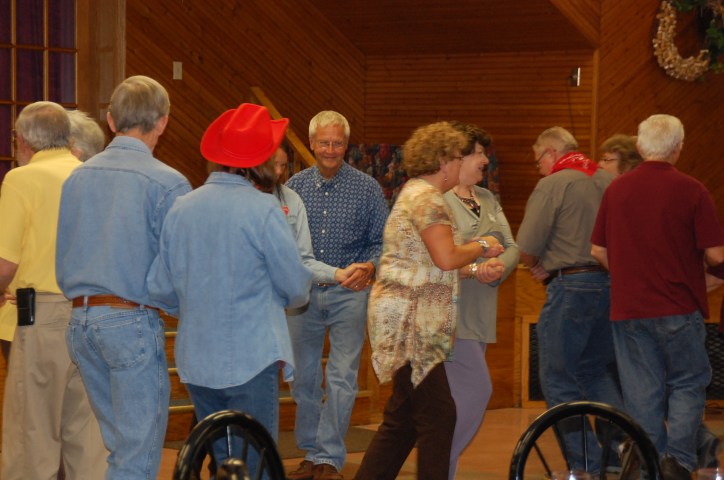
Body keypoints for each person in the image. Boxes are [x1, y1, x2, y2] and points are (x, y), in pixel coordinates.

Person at [147, 103, 312, 475]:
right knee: (256, 465)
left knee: (224, 464)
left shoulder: (181, 208)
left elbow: (160, 289)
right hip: (252, 355)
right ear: (260, 160)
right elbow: (297, 287)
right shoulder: (264, 209)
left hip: (197, 358)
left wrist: (198, 304)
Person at [56, 75, 192, 480]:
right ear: (163, 122)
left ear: (111, 121)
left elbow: (63, 249)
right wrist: (176, 306)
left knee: (121, 450)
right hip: (130, 321)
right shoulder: (169, 182)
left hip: (80, 321)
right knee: (138, 453)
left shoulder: (77, 177)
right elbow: (176, 265)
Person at [354, 121, 502, 480]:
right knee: (439, 416)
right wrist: (483, 244)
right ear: (442, 161)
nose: (460, 164)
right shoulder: (428, 200)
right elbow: (446, 258)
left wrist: (472, 270)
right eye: (458, 157)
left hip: (406, 317)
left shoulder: (415, 193)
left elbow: (427, 264)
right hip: (412, 322)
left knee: (403, 420)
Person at [591, 114, 724, 479]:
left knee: (641, 391)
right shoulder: (693, 190)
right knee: (687, 382)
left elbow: (598, 250)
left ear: (638, 146)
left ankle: (648, 463)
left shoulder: (616, 190)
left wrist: (630, 276)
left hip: (629, 308)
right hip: (679, 307)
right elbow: (716, 255)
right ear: (678, 148)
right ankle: (677, 462)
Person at [0, 101, 106, 479]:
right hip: (94, 312)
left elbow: (5, 263)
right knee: (88, 436)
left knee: (33, 435)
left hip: (41, 316)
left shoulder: (22, 179)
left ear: (23, 139)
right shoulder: (94, 176)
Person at [285, 111, 389, 480]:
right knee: (304, 378)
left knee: (342, 377)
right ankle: (310, 453)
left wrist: (371, 266)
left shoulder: (367, 188)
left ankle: (328, 457)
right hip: (303, 296)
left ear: (347, 145)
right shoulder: (293, 188)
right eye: (324, 143)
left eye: (338, 143)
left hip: (351, 294)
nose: (331, 149)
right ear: (312, 144)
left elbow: (383, 242)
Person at [516, 126, 623, 471]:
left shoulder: (553, 184)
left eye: (538, 160)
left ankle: (585, 462)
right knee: (595, 370)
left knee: (557, 377)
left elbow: (527, 245)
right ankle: (621, 452)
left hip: (571, 286)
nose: (539, 168)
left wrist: (538, 265)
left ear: (551, 152)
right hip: (611, 285)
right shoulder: (608, 180)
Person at [443, 122, 518, 479]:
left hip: (480, 314)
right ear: (457, 157)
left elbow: (512, 245)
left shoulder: (487, 199)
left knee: (457, 402)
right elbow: (438, 259)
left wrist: (497, 268)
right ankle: (438, 464)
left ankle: (442, 466)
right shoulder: (439, 201)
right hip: (449, 314)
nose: (484, 160)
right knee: (477, 390)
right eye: (477, 153)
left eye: (484, 153)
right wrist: (476, 266)